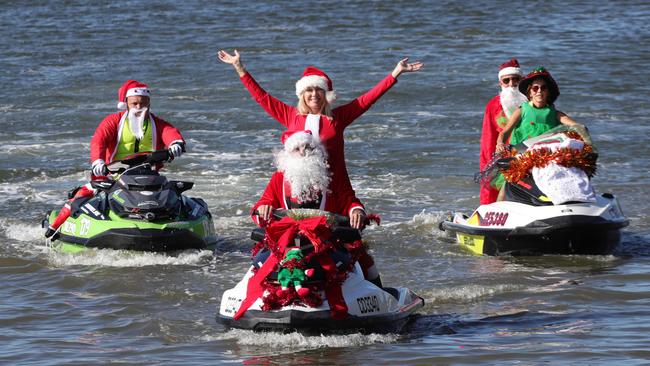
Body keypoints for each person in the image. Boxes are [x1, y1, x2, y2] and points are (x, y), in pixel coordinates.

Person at [218, 49, 423, 201]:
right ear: (302, 94)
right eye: (309, 90)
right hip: (297, 188)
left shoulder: (338, 118)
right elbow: (261, 97)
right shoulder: (290, 115)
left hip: (334, 188)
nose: (314, 94)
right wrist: (239, 67)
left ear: (326, 95)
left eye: (319, 90)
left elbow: (368, 99)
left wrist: (395, 73)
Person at [44, 80, 186, 239]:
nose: (139, 108)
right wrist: (98, 161)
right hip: (113, 175)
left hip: (150, 177)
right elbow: (99, 141)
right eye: (135, 103)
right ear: (126, 103)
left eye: (143, 103)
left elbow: (171, 133)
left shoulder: (158, 124)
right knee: (82, 194)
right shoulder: (113, 122)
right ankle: (54, 229)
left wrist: (176, 143)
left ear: (149, 103)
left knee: (175, 196)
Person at [251, 130, 381, 287]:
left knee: (364, 259)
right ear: (287, 155)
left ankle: (382, 293)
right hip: (288, 241)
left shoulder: (332, 177)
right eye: (296, 149)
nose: (303, 152)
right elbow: (263, 202)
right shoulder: (278, 178)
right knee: (259, 263)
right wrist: (264, 208)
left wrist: (356, 211)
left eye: (308, 147)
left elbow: (349, 199)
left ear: (317, 151)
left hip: (328, 239)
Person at [496, 66, 577, 153]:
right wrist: (500, 143)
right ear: (530, 93)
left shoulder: (556, 114)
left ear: (548, 92)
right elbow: (505, 133)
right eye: (535, 88)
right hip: (521, 153)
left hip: (547, 153)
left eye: (543, 88)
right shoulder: (521, 111)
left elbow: (577, 126)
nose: (539, 91)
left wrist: (581, 132)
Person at [479, 58, 528, 204]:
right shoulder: (493, 106)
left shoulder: (533, 103)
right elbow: (488, 138)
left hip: (530, 154)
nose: (512, 84)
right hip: (504, 157)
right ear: (500, 83)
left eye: (515, 79)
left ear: (522, 80)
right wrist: (487, 166)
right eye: (506, 81)